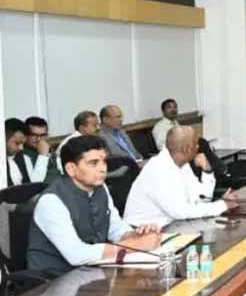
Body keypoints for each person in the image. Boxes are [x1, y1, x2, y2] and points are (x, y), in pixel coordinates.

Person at [27, 135, 161, 277]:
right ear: (71, 168)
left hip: (92, 271)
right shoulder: (51, 201)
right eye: (93, 163)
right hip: (54, 279)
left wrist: (135, 235)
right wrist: (136, 246)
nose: (103, 169)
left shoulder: (100, 188)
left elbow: (115, 228)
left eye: (104, 161)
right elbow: (76, 254)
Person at [124, 126, 237, 227]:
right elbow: (180, 212)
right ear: (186, 149)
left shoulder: (183, 164)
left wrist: (207, 171)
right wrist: (222, 205)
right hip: (141, 231)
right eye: (196, 144)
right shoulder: (158, 169)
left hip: (170, 226)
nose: (198, 147)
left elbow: (201, 199)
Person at [6, 118, 47, 186]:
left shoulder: (24, 158)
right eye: (17, 143)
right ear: (4, 139)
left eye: (23, 143)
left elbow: (33, 184)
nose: (21, 148)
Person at [23, 116, 57, 183]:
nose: (39, 139)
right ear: (25, 135)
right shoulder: (21, 155)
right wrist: (43, 155)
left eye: (42, 135)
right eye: (34, 135)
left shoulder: (48, 148)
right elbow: (35, 183)